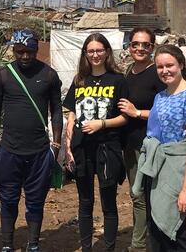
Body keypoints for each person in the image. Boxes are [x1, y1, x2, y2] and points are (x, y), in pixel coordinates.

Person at [0, 29, 63, 252]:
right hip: (9, 151)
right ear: (13, 50)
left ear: (36, 49)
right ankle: (7, 245)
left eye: (29, 51)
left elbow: (57, 110)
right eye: (20, 51)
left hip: (40, 152)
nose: (24, 56)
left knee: (35, 201)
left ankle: (33, 244)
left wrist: (56, 145)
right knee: (9, 201)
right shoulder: (3, 75)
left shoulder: (49, 75)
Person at [132, 45, 186, 251]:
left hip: (174, 171)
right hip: (154, 169)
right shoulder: (160, 96)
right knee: (155, 229)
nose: (165, 71)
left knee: (173, 230)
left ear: (181, 64)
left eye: (170, 65)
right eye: (160, 67)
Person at [63, 33, 129, 252]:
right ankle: (86, 248)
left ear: (107, 52)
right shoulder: (80, 80)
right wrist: (69, 145)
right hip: (82, 148)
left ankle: (109, 247)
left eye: (99, 50)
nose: (95, 55)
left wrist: (102, 124)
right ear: (85, 54)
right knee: (85, 202)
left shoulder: (118, 80)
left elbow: (125, 117)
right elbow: (72, 113)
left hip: (107, 147)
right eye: (90, 51)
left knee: (108, 202)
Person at [118, 27, 167, 252]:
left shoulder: (157, 73)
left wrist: (137, 112)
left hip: (149, 144)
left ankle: (139, 246)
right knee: (138, 194)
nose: (139, 48)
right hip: (129, 143)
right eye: (135, 44)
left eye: (145, 45)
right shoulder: (129, 71)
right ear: (129, 46)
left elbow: (166, 109)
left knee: (141, 195)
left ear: (152, 47)